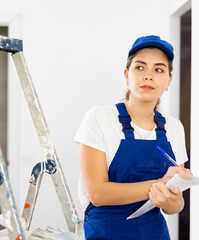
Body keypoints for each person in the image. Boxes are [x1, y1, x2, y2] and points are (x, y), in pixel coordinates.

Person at [74, 35, 192, 240]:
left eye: (158, 69)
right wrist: (160, 184)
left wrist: (170, 199)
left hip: (155, 233)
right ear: (126, 75)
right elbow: (98, 194)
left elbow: (176, 205)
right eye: (139, 67)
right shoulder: (100, 118)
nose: (148, 75)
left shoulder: (174, 127)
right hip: (107, 233)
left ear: (168, 81)